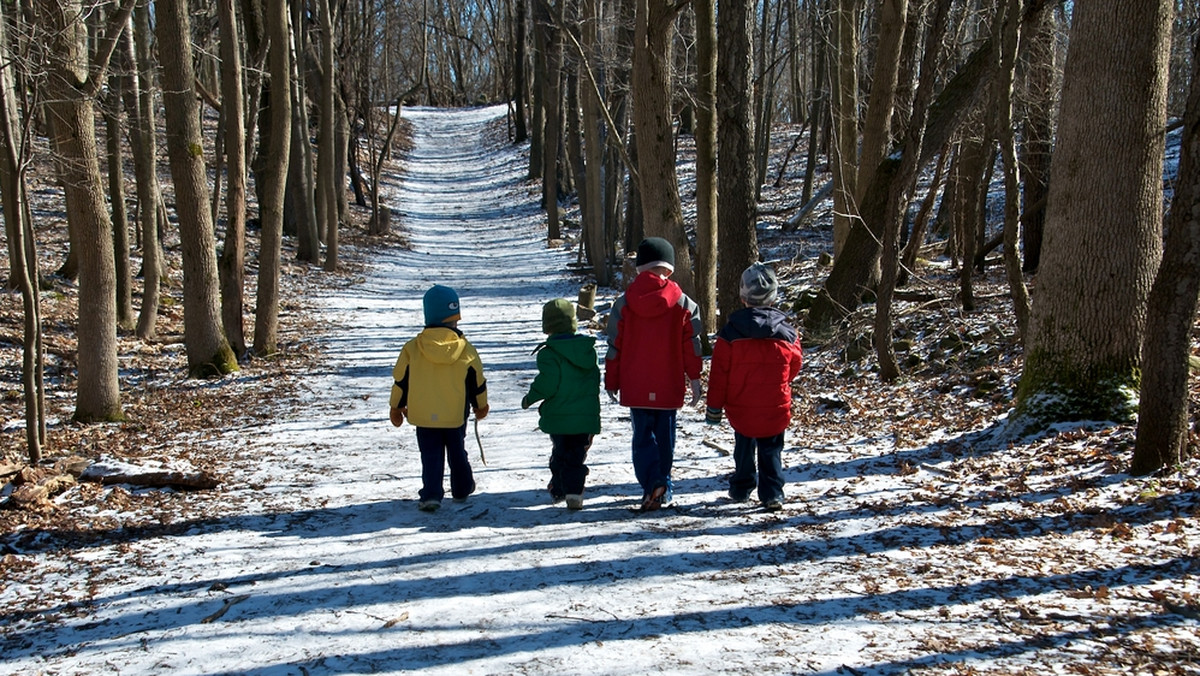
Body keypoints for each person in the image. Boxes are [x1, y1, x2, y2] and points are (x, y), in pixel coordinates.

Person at [605, 237, 704, 512]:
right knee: (665, 437)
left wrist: (611, 380)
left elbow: (615, 346)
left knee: (642, 437)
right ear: (669, 270)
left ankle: (652, 483)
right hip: (669, 385)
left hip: (636, 386)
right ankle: (664, 484)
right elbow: (692, 346)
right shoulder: (684, 304)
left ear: (639, 269)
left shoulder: (624, 303)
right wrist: (694, 379)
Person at [705, 262, 803, 512]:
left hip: (741, 404)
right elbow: (795, 364)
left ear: (742, 297)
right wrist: (781, 382)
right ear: (774, 297)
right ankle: (772, 493)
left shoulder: (730, 334)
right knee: (771, 449)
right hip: (774, 403)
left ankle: (741, 487)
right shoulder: (788, 334)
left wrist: (714, 408)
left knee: (744, 446)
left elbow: (719, 374)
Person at [389, 284, 489, 512]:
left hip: (423, 416)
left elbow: (401, 381)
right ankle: (462, 488)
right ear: (454, 319)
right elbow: (477, 383)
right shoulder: (466, 350)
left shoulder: (412, 349)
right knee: (457, 450)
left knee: (430, 454)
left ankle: (431, 494)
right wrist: (480, 406)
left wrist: (396, 407)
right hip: (455, 415)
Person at [521, 298, 601, 510]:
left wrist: (531, 397)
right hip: (584, 417)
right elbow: (594, 381)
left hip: (558, 416)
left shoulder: (549, 353)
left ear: (547, 326)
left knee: (560, 452)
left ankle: (559, 488)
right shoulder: (587, 350)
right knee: (576, 455)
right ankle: (573, 491)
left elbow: (548, 383)